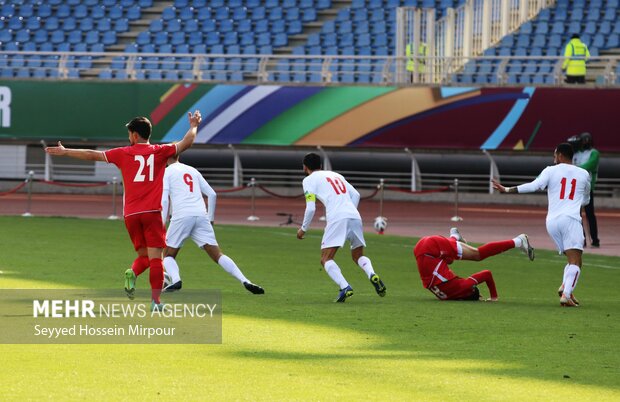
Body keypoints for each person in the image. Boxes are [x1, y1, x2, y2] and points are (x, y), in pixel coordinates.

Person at [45, 111, 202, 311]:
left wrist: (66, 151)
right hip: (152, 212)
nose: (129, 136)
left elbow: (93, 155)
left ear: (135, 135)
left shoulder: (122, 153)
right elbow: (187, 142)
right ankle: (155, 302)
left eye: (129, 133)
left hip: (131, 215)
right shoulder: (160, 151)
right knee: (156, 259)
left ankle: (133, 273)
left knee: (144, 256)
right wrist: (194, 125)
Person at [492, 143, 591, 307]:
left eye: (554, 155)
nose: (554, 159)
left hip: (552, 222)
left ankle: (565, 287)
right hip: (570, 219)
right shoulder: (584, 173)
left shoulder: (550, 170)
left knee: (574, 259)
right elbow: (586, 199)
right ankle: (566, 295)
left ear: (559, 155)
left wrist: (507, 189)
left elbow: (534, 185)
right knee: (575, 260)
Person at [161, 154, 264, 295]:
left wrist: (161, 223)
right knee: (217, 254)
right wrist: (210, 218)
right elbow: (212, 194)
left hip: (182, 215)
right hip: (201, 214)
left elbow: (165, 200)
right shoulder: (192, 170)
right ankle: (244, 280)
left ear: (165, 157)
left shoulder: (166, 172)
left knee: (167, 254)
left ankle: (176, 280)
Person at [296, 152, 386, 302]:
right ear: (321, 165)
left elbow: (311, 208)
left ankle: (345, 287)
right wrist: (350, 213)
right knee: (357, 256)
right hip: (354, 215)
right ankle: (371, 274)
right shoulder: (336, 175)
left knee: (326, 258)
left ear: (305, 167)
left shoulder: (308, 180)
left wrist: (303, 229)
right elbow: (356, 194)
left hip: (337, 217)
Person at [414, 228, 534, 301]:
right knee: (451, 257)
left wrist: (494, 297)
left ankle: (518, 241)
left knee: (478, 255)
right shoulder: (445, 296)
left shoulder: (462, 289)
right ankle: (455, 237)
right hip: (422, 250)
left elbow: (486, 274)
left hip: (430, 248)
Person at [568, 132, 600, 247]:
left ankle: (595, 239)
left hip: (587, 187)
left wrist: (574, 169)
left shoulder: (594, 153)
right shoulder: (575, 154)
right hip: (575, 188)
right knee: (577, 215)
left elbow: (590, 165)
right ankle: (582, 239)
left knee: (590, 214)